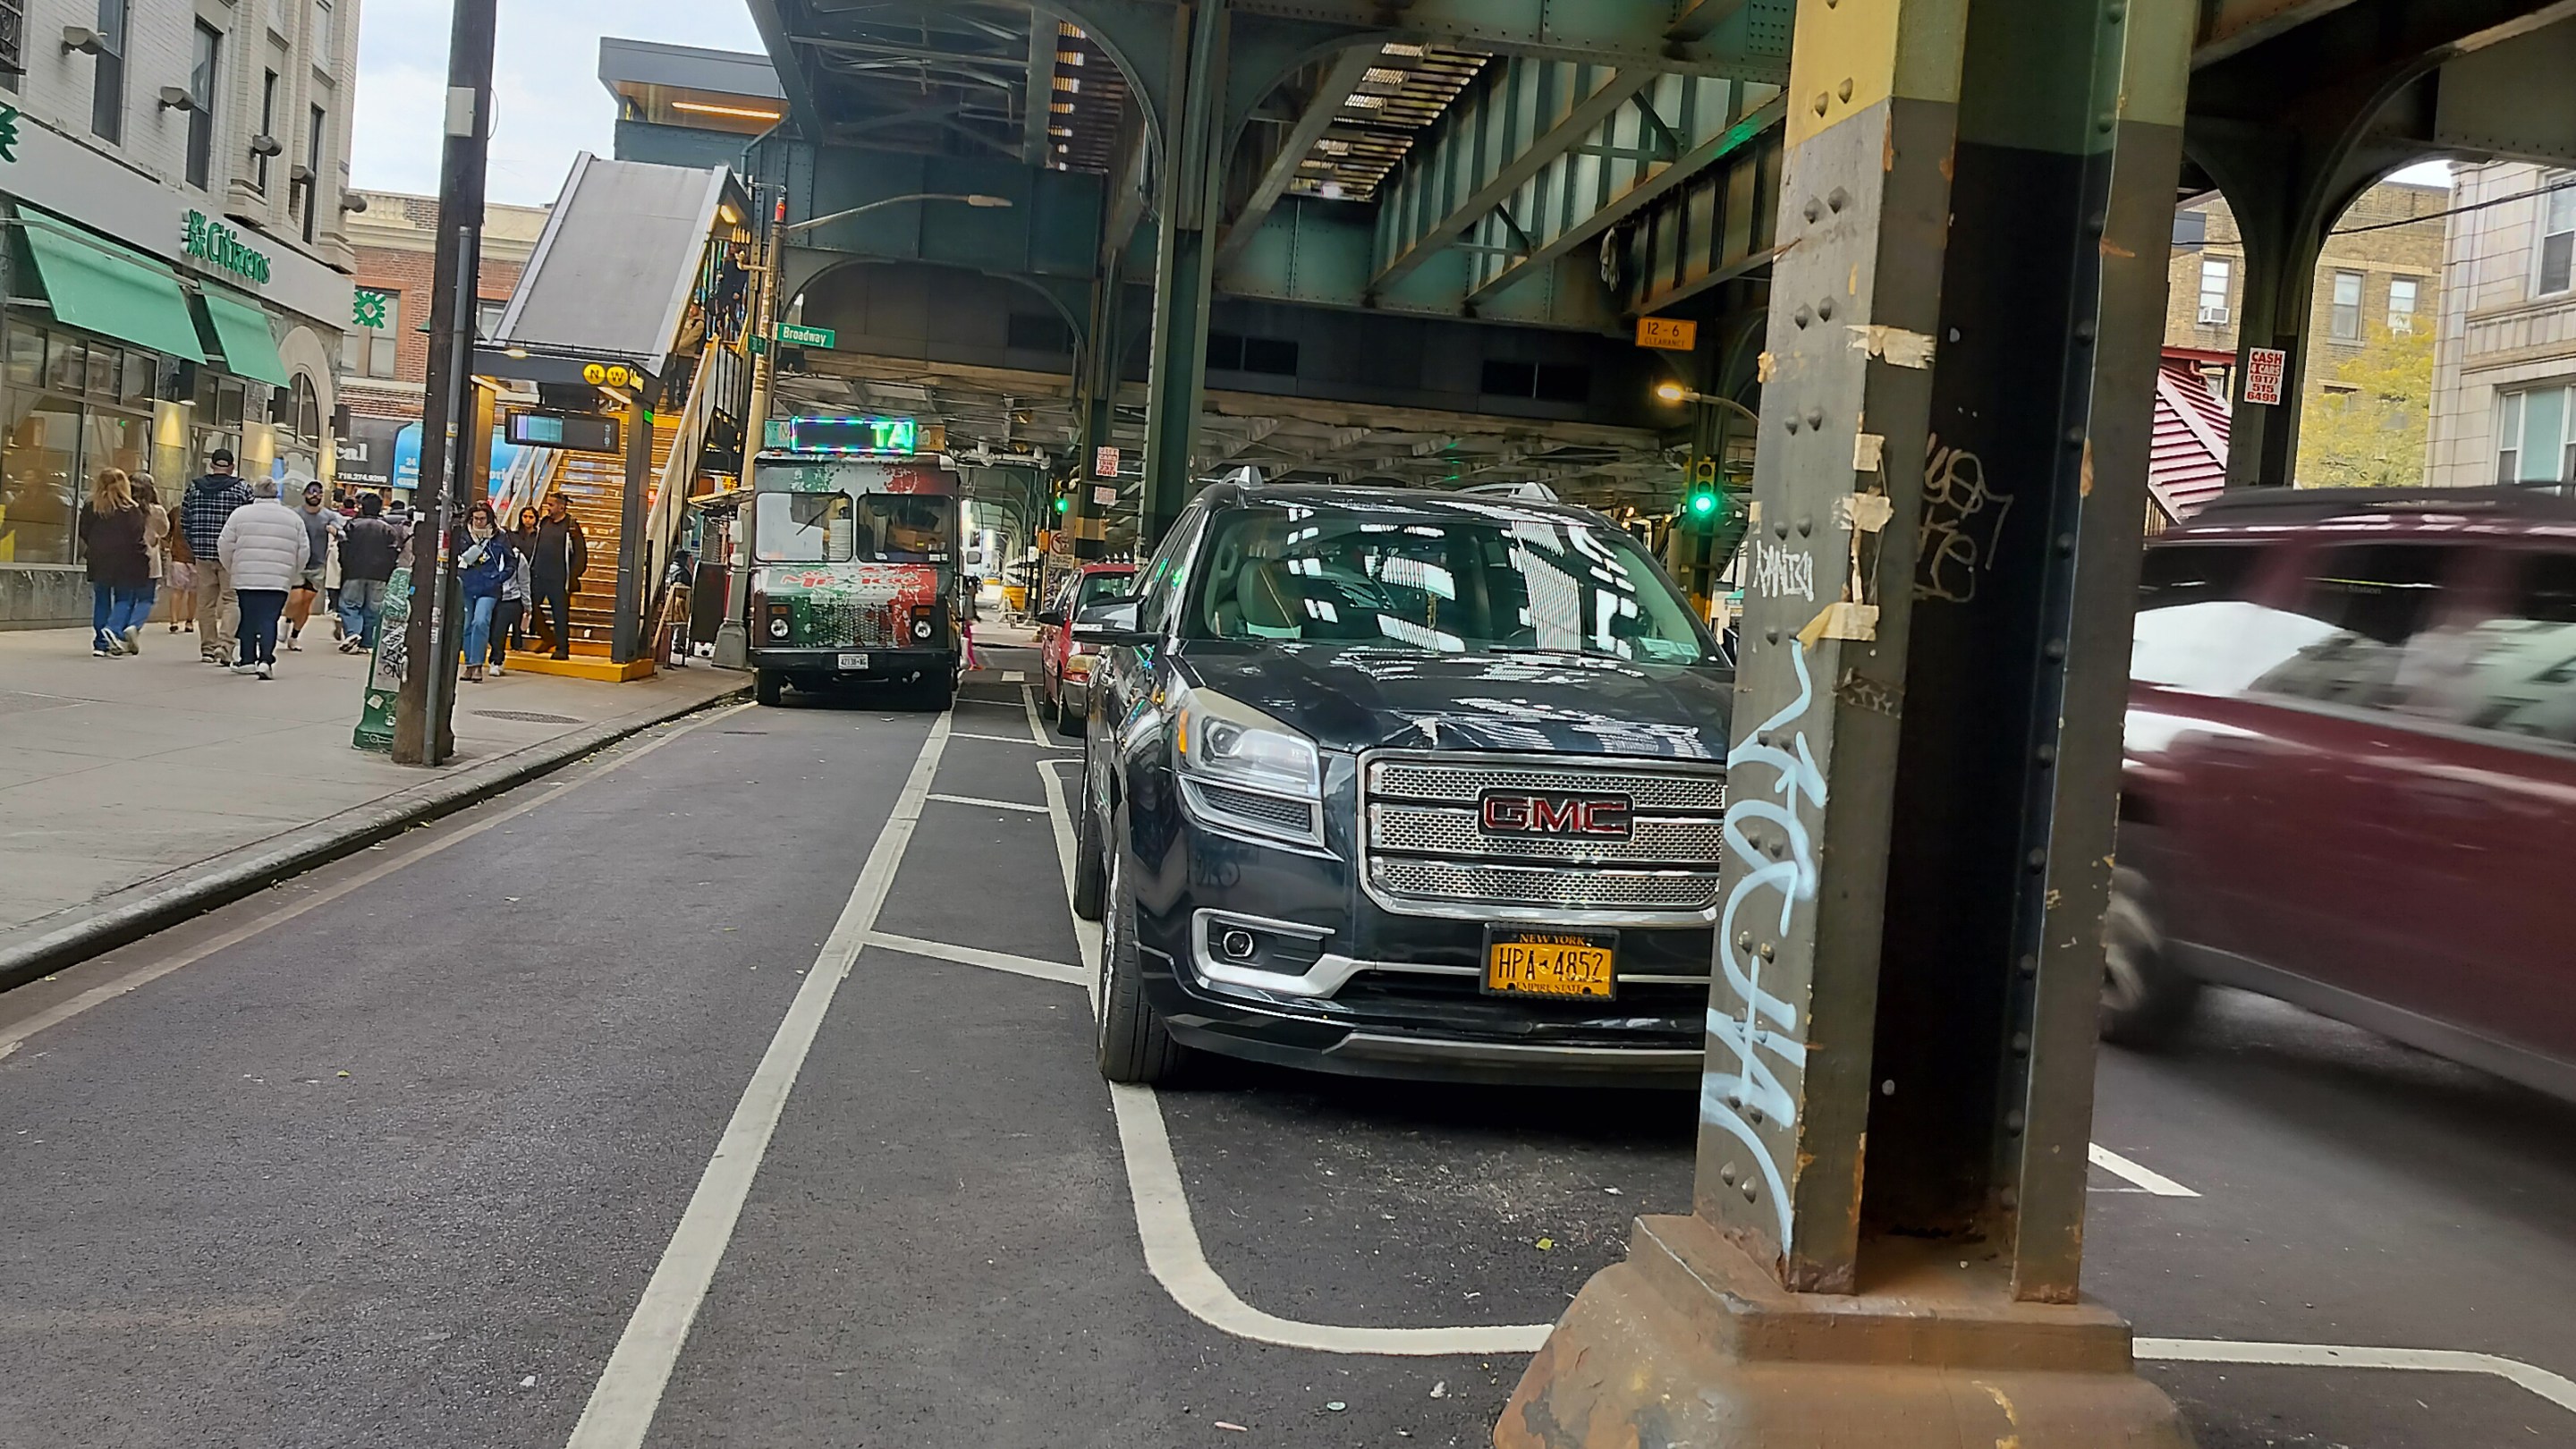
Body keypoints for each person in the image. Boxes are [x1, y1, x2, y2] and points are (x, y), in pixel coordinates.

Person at [216, 477, 308, 680]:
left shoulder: (240, 514)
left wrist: (233, 568)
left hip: (246, 577)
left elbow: (224, 544)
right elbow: (303, 551)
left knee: (248, 617)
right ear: (276, 493)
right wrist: (291, 572)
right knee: (269, 618)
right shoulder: (293, 518)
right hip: (278, 580)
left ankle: (247, 660)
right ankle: (266, 660)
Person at [178, 450, 251, 665]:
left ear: (211, 465)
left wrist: (195, 545)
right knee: (231, 600)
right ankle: (225, 646)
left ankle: (207, 649)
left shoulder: (194, 488)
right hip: (231, 556)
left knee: (206, 603)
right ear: (232, 466)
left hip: (202, 554)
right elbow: (248, 522)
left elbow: (185, 521)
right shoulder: (242, 489)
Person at [76, 469, 152, 657]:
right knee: (124, 598)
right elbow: (137, 537)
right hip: (126, 560)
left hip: (99, 558)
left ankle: (100, 643)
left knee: (101, 599)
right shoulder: (131, 509)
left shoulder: (91, 507)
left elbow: (84, 531)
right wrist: (143, 557)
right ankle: (113, 629)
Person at [454, 502, 518, 683]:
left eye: (482, 519)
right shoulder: (464, 534)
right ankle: (470, 664)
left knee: (480, 622)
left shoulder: (499, 536)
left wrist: (500, 577)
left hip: (489, 586)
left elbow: (511, 561)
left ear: (489, 519)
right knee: (467, 625)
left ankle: (477, 664)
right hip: (467, 584)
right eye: (476, 518)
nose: (479, 522)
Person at [336, 492, 405, 651]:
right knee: (373, 609)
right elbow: (393, 552)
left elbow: (343, 548)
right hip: (380, 574)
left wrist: (345, 565)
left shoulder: (352, 526)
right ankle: (367, 642)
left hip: (354, 571)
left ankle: (353, 632)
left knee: (350, 605)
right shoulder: (388, 529)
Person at [526, 491, 589, 660]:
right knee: (530, 607)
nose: (548, 508)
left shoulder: (571, 526)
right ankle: (548, 637)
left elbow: (580, 553)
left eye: (551, 505)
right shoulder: (545, 522)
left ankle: (562, 648)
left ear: (561, 507)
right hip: (539, 575)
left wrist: (573, 575)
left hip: (559, 578)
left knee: (560, 615)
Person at [283, 479, 339, 651]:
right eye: (311, 492)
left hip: (317, 565)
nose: (315, 495)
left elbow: (342, 528)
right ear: (304, 494)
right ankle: (286, 622)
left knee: (306, 602)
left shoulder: (329, 516)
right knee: (295, 599)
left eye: (318, 492)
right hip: (298, 562)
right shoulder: (295, 514)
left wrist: (336, 531)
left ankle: (294, 636)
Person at [496, 504, 538, 660]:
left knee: (520, 610)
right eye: (525, 516)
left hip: (529, 574)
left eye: (531, 517)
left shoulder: (538, 537)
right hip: (515, 576)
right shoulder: (514, 536)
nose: (527, 520)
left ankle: (519, 639)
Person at [131, 476, 168, 647]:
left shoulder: (125, 508)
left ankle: (119, 630)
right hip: (149, 557)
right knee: (146, 599)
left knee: (126, 598)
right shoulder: (157, 511)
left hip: (126, 557)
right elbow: (164, 530)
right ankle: (134, 626)